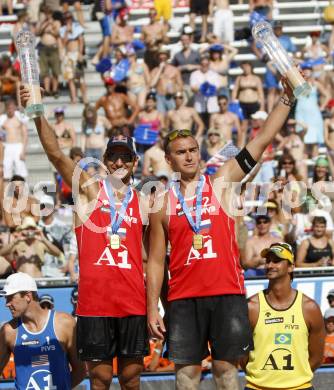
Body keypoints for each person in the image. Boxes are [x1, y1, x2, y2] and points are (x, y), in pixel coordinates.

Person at [147, 78, 295, 389]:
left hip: (226, 293)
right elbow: (156, 262)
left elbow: (263, 138)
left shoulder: (222, 181)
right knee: (186, 374)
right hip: (183, 299)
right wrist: (153, 309)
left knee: (226, 371)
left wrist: (286, 98)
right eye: (180, 152)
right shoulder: (161, 203)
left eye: (192, 150)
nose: (189, 156)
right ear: (169, 159)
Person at [20, 84, 150, 389]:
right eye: (114, 157)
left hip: (132, 302)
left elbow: (153, 256)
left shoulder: (145, 201)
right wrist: (37, 112)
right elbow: (55, 154)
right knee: (100, 379)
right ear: (105, 159)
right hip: (96, 303)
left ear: (135, 162)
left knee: (132, 380)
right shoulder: (89, 189)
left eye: (126, 158)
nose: (119, 163)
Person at [244, 242, 325, 390]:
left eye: (276, 260)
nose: (269, 265)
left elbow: (317, 357)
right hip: (258, 387)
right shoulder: (251, 307)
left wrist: (293, 380)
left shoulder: (309, 308)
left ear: (291, 266)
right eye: (268, 260)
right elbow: (242, 357)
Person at [0, 272, 86, 388]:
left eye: (10, 298)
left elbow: (80, 371)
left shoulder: (64, 323)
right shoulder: (9, 331)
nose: (7, 304)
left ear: (28, 296)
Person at [0, 99, 28, 181]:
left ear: (15, 108)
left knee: (21, 172)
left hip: (18, 146)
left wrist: (23, 151)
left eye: (12, 108)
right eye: (8, 108)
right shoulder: (2, 119)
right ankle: (4, 193)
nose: (10, 110)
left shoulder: (20, 118)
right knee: (5, 173)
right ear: (6, 108)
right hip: (6, 147)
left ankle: (22, 192)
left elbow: (25, 135)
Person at [36, 7, 61, 98]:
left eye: (49, 13)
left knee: (55, 70)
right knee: (44, 71)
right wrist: (44, 25)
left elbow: (58, 34)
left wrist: (50, 30)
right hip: (43, 48)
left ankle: (55, 90)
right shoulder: (42, 23)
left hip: (53, 48)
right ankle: (47, 90)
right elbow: (37, 33)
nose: (47, 15)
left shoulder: (56, 22)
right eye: (46, 13)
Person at [150, 48, 183, 113]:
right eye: (160, 57)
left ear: (167, 57)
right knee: (162, 117)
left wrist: (174, 90)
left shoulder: (174, 70)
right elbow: (151, 85)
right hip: (159, 97)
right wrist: (160, 70)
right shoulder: (154, 71)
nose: (162, 58)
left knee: (173, 116)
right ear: (157, 58)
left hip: (172, 97)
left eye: (164, 57)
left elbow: (181, 86)